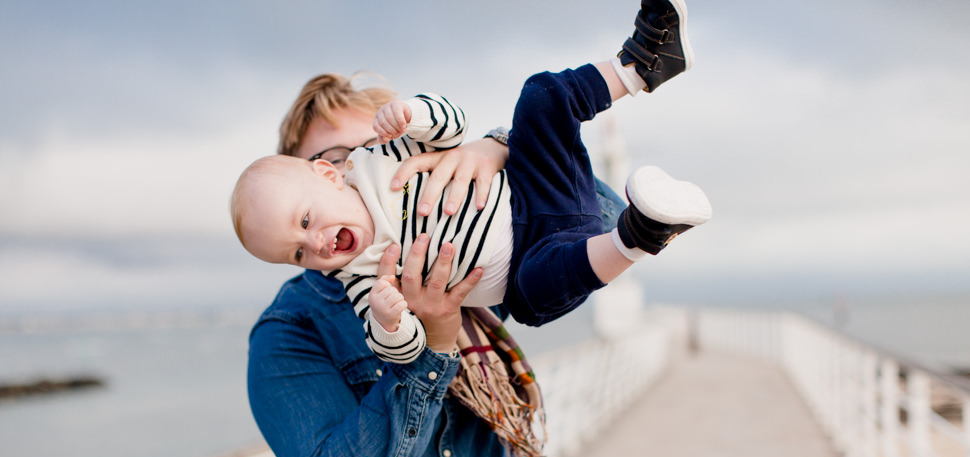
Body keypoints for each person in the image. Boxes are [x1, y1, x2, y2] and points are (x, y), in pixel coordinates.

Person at [244, 2, 699, 457]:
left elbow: (591, 215)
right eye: (336, 160)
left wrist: (496, 148)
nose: (357, 170)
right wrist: (428, 344)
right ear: (309, 180)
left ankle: (644, 63)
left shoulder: (474, 265)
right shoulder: (293, 329)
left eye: (370, 149)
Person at [231, 29, 710, 367]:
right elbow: (394, 346)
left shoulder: (381, 159)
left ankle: (644, 61)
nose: (312, 244)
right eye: (295, 252)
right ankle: (641, 233)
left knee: (541, 94)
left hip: (535, 191)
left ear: (329, 175)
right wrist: (391, 321)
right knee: (536, 289)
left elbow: (449, 122)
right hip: (530, 262)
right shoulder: (357, 273)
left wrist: (461, 132)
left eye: (348, 149)